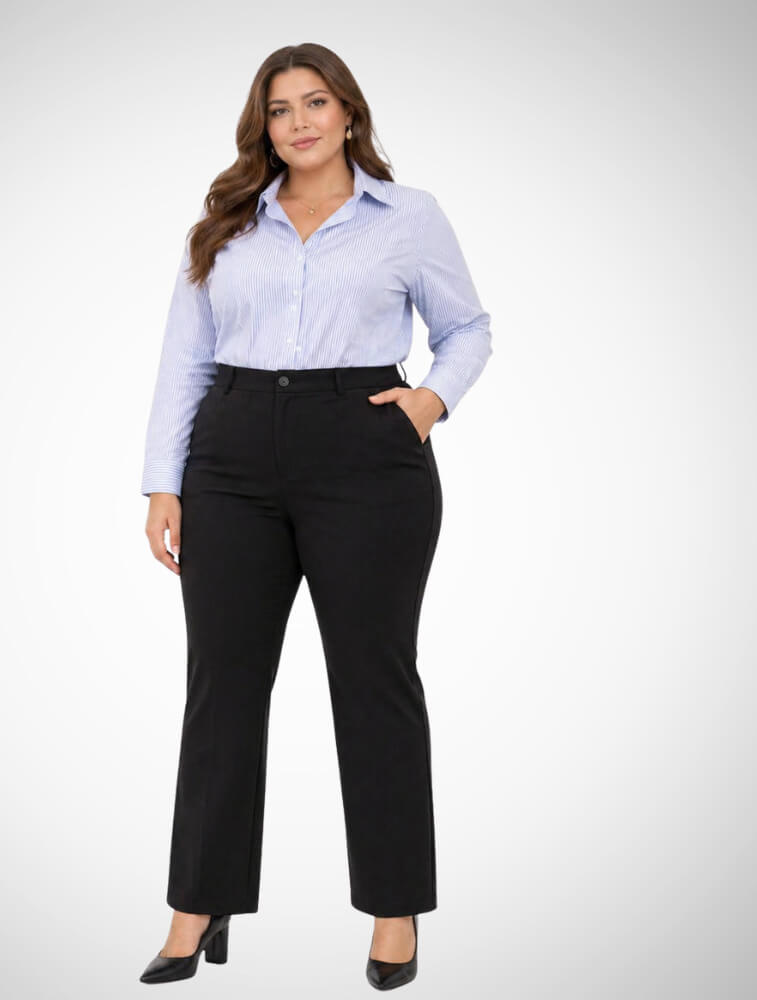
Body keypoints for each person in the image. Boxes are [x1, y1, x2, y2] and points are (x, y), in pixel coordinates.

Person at [137, 43, 493, 990]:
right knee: (221, 687)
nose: (299, 122)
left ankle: (394, 909)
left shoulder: (407, 217)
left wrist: (428, 402)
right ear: (263, 124)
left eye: (316, 102)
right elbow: (186, 357)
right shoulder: (225, 224)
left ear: (348, 113)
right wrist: (164, 483)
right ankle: (198, 902)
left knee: (374, 684)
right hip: (231, 456)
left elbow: (468, 327)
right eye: (280, 108)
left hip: (365, 455)